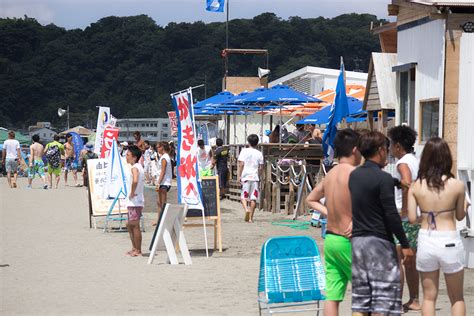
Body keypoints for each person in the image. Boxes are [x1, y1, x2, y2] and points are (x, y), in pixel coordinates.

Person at [349, 131, 413, 315]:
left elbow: (373, 180)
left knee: (361, 301)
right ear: (380, 150)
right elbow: (391, 215)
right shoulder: (382, 178)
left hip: (358, 243)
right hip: (379, 244)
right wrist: (405, 244)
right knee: (382, 301)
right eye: (386, 148)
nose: (388, 152)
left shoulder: (355, 176)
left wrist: (396, 182)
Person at [408, 137, 466, 316]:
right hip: (449, 239)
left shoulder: (416, 186)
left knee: (428, 297)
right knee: (456, 297)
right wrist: (464, 206)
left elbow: (411, 218)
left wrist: (427, 215)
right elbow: (459, 216)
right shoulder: (457, 186)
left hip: (427, 238)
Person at [306, 129, 361, 316]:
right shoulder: (355, 174)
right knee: (363, 292)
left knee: (333, 295)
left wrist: (328, 212)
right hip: (349, 240)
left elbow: (311, 198)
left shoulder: (331, 174)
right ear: (355, 150)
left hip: (330, 239)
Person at [388, 125, 421, 311]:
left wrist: (404, 212)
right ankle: (414, 299)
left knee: (397, 260)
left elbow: (407, 183)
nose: (390, 148)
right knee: (410, 261)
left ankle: (396, 302)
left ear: (398, 146)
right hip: (414, 216)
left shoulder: (402, 164)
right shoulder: (415, 160)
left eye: (392, 144)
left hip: (403, 217)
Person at [237, 134, 264, 223]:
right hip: (255, 177)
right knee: (253, 198)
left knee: (243, 197)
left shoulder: (244, 151)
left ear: (248, 142)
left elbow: (241, 164)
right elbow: (261, 167)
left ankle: (246, 209)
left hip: (246, 177)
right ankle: (251, 218)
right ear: (257, 143)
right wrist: (259, 175)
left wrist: (239, 175)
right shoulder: (259, 153)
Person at [125, 145, 144, 257]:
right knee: (131, 225)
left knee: (133, 224)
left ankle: (138, 249)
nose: (126, 157)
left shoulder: (135, 167)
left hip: (135, 200)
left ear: (134, 157)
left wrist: (132, 192)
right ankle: (134, 248)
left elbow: (135, 180)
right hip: (135, 200)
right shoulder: (138, 166)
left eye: (128, 155)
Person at [155, 141, 172, 225]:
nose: (157, 149)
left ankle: (164, 220)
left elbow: (163, 171)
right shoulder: (164, 157)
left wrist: (158, 182)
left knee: (163, 203)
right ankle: (159, 220)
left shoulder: (164, 157)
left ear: (162, 147)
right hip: (164, 182)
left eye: (158, 147)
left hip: (164, 182)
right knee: (159, 202)